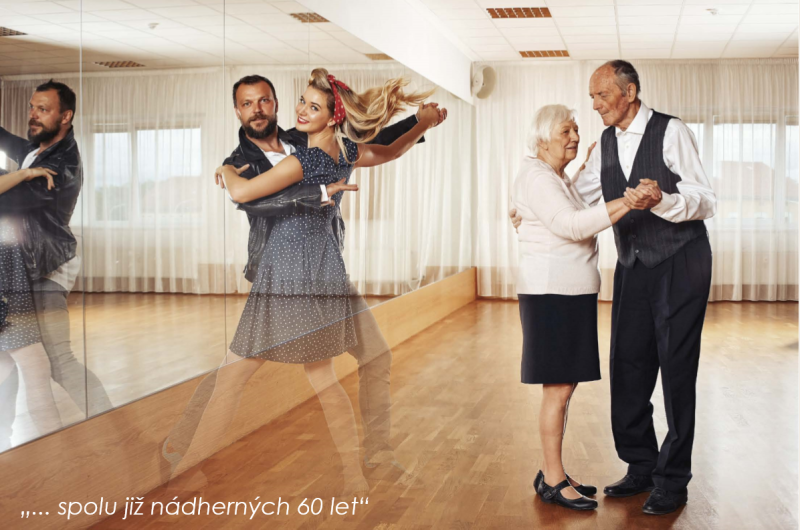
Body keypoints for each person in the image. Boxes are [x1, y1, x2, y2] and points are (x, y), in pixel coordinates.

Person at [164, 70, 445, 493]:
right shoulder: (288, 153)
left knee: (270, 374)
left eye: (308, 105)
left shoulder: (305, 150)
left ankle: (369, 462)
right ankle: (183, 457)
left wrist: (421, 123)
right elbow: (255, 200)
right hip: (299, 271)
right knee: (249, 376)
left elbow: (383, 147)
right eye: (247, 103)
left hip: (307, 273)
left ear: (276, 104)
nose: (261, 109)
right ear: (237, 110)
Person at [512, 60, 716, 515]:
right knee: (628, 364)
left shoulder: (671, 130)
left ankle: (673, 479)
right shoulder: (604, 142)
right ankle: (641, 464)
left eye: (601, 96)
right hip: (633, 264)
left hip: (681, 259)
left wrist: (663, 200)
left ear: (629, 92)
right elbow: (574, 198)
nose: (595, 105)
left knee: (676, 369)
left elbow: (706, 198)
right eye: (591, 98)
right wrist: (525, 209)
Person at [513, 104, 647, 511]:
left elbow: (580, 195)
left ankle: (553, 471)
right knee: (557, 390)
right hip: (551, 295)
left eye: (575, 130)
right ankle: (552, 480)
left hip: (566, 295)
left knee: (563, 388)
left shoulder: (554, 177)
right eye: (566, 131)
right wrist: (629, 201)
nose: (574, 137)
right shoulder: (535, 176)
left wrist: (591, 166)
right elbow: (571, 224)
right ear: (542, 138)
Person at [0, 80, 113, 448]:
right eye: (32, 107)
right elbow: (11, 142)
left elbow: (10, 201)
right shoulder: (38, 149)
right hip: (22, 269)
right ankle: (10, 439)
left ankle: (117, 433)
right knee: (16, 358)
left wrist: (15, 176)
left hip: (43, 268)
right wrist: (20, 169)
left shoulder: (59, 165)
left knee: (56, 360)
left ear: (66, 117)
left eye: (43, 109)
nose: (32, 115)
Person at [0, 161, 63, 446]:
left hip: (12, 286)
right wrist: (26, 173)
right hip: (5, 294)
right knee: (36, 367)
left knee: (6, 369)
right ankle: (56, 456)